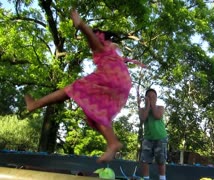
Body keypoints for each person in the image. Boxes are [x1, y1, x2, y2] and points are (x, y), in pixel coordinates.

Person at [24, 9, 144, 163]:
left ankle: (113, 143)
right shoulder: (114, 52)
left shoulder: (103, 48)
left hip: (110, 79)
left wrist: (80, 24)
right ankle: (112, 142)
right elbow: (118, 54)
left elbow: (92, 39)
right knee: (95, 110)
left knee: (75, 89)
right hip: (122, 84)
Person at [138, 89, 168, 180]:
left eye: (153, 97)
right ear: (145, 99)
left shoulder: (160, 107)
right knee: (145, 160)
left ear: (156, 98)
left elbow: (157, 116)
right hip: (147, 138)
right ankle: (146, 178)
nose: (151, 98)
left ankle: (162, 178)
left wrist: (152, 104)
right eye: (149, 97)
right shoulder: (142, 109)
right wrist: (147, 105)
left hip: (161, 137)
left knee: (161, 161)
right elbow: (143, 118)